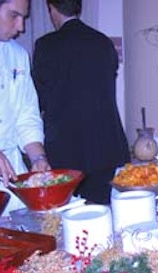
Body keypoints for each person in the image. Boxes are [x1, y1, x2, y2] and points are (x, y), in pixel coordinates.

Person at [32, 0, 130, 205]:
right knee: (103, 215)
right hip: (106, 146)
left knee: (68, 220)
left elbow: (38, 98)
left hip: (65, 148)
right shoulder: (102, 42)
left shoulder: (46, 45)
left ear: (51, 9)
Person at [0, 0, 50, 213]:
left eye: (23, 17)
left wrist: (38, 158)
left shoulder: (17, 55)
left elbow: (26, 114)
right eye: (13, 16)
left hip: (10, 172)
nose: (21, 27)